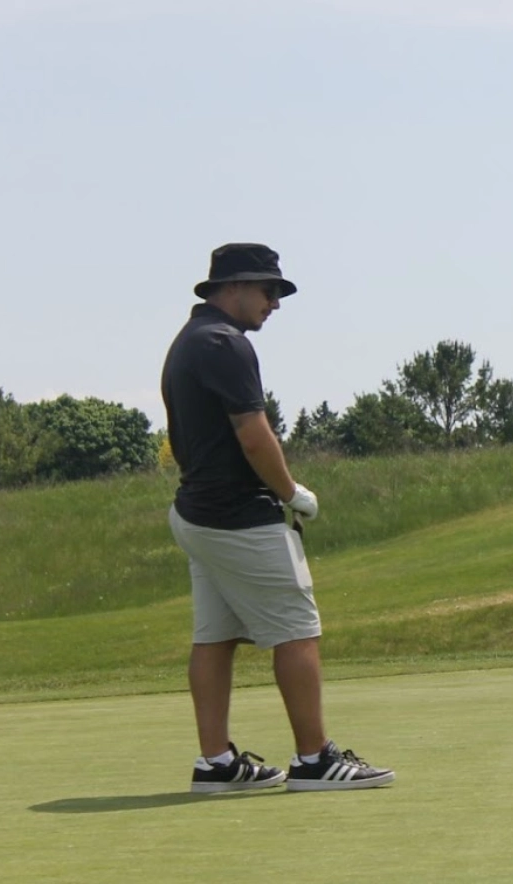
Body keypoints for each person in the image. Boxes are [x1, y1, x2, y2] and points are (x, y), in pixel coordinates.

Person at [162, 243, 393, 792]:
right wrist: (290, 492)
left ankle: (216, 764)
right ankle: (315, 760)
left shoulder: (192, 339)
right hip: (239, 517)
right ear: (234, 287)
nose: (275, 303)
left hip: (197, 513)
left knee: (215, 635)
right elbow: (253, 434)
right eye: (269, 291)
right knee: (297, 631)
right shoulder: (226, 343)